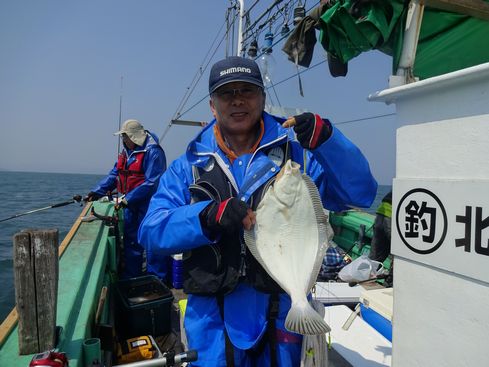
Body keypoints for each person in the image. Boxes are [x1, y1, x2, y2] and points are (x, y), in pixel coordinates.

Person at [138, 56, 377, 366]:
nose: (238, 100)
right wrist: (205, 217)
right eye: (227, 93)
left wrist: (330, 142)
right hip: (211, 321)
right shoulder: (189, 167)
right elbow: (151, 231)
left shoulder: (300, 158)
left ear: (263, 98)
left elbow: (360, 194)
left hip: (280, 312)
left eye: (247, 91)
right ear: (212, 105)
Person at [86, 119, 168, 280]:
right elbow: (115, 174)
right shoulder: (126, 153)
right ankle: (133, 277)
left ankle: (158, 279)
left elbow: (152, 182)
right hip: (130, 204)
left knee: (152, 240)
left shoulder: (153, 152)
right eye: (122, 137)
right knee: (131, 240)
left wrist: (128, 198)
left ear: (135, 136)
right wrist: (97, 191)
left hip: (149, 204)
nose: (123, 140)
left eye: (126, 137)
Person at [369, 191, 393, 285]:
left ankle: (367, 281)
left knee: (375, 256)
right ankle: (389, 285)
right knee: (398, 255)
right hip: (392, 216)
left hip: (381, 213)